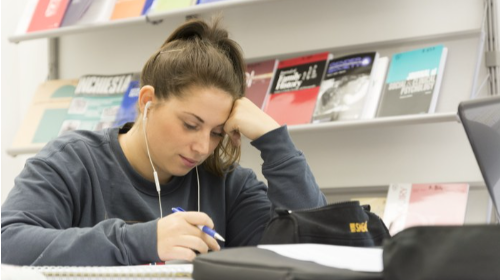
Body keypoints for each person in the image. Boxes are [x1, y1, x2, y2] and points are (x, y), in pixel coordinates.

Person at [1, 17, 326, 266]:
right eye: (190, 124)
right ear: (147, 102)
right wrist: (141, 240)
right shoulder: (75, 160)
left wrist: (274, 140)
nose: (202, 147)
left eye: (216, 132)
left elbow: (320, 250)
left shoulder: (228, 185)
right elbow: (8, 241)